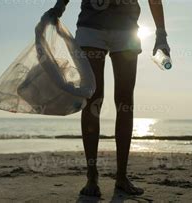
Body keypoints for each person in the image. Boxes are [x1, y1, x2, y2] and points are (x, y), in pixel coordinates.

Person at [46, 0, 170, 197]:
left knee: (125, 101)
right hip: (90, 27)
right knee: (93, 98)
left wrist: (161, 34)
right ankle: (92, 176)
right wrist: (59, 8)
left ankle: (121, 177)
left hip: (127, 29)